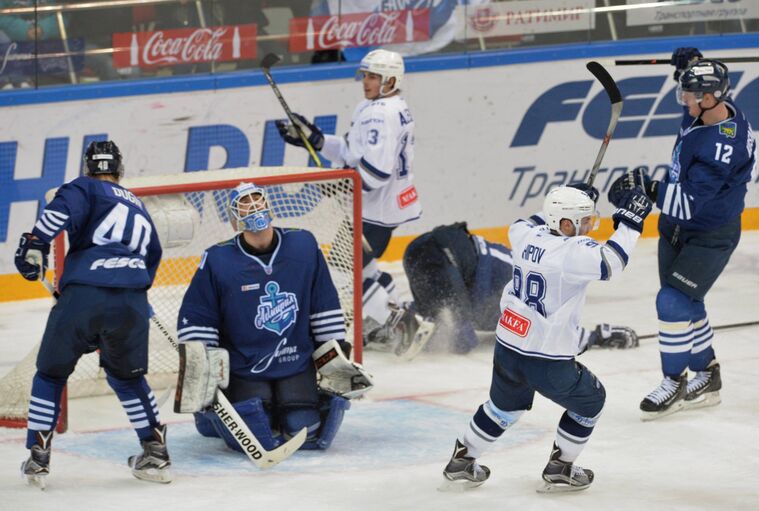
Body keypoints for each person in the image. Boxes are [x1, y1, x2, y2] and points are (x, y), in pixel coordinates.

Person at [441, 183, 652, 493]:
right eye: (583, 221)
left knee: (502, 408)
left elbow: (523, 222)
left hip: (509, 347)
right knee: (591, 400)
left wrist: (564, 201)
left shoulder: (525, 236)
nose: (590, 227)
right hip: (547, 359)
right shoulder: (573, 252)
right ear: (565, 225)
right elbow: (612, 261)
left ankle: (463, 458)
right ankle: (561, 466)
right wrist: (631, 220)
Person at [608, 48, 756, 420]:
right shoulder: (711, 106)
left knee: (672, 303)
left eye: (689, 97)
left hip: (709, 233)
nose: (683, 102)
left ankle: (673, 382)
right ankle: (708, 376)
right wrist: (692, 66)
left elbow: (689, 203)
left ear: (709, 100)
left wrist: (647, 187)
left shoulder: (723, 145)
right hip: (676, 228)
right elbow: (703, 85)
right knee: (686, 303)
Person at [13, 141, 170, 488]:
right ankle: (155, 451)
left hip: (85, 294)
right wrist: (130, 295)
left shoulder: (84, 186)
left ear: (89, 168)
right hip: (132, 299)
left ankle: (38, 456)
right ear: (119, 169)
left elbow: (59, 213)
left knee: (50, 375)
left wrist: (35, 242)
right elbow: (152, 258)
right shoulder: (140, 207)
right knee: (128, 379)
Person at [176, 182, 372, 453]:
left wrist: (335, 356)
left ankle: (288, 408)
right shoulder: (218, 259)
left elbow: (323, 303)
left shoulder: (303, 245)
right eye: (244, 204)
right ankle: (208, 421)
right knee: (255, 431)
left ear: (269, 206)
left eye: (257, 200)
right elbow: (198, 314)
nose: (253, 208)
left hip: (295, 360)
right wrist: (205, 368)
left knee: (306, 430)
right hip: (245, 365)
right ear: (234, 220)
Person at [276, 48, 433, 356]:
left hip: (374, 210)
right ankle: (402, 315)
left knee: (342, 275)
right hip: (379, 208)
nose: (366, 81)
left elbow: (375, 173)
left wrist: (339, 183)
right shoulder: (386, 106)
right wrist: (319, 140)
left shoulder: (380, 113)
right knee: (365, 269)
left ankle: (401, 324)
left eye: (374, 76)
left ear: (390, 80)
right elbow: (352, 151)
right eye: (365, 75)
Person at [404, 216, 640, 354]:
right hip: (445, 256)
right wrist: (598, 336)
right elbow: (553, 333)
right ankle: (407, 319)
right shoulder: (527, 291)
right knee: (461, 337)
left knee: (444, 322)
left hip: (417, 250)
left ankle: (398, 319)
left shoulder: (529, 262)